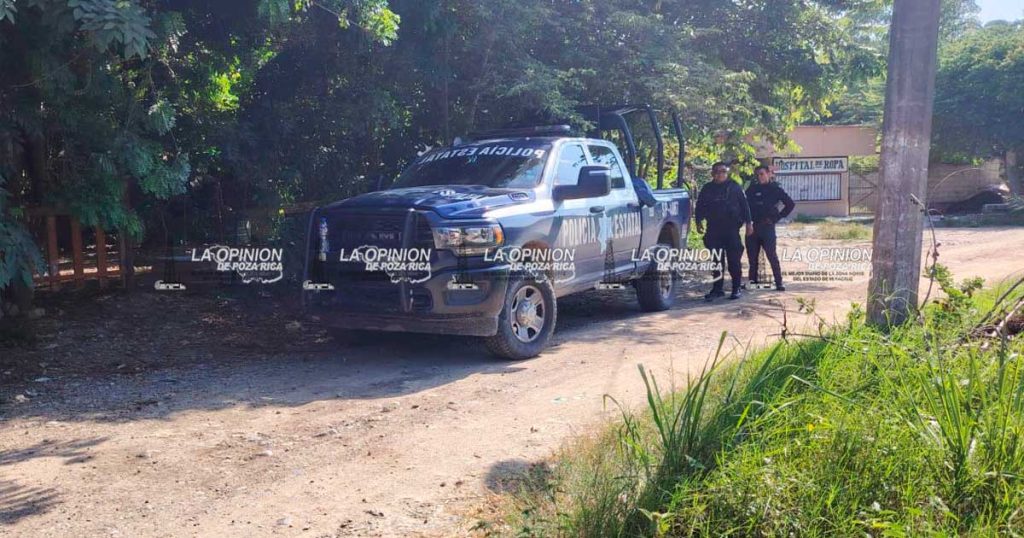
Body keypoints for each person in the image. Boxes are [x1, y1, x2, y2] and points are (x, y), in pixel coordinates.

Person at [695, 162, 752, 301]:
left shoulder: (734, 187)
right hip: (714, 229)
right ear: (712, 173)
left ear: (727, 173)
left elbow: (745, 206)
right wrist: (698, 221)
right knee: (716, 261)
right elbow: (700, 205)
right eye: (717, 171)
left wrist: (749, 223)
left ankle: (736, 288)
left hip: (731, 229)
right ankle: (717, 289)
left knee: (734, 261)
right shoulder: (707, 188)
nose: (720, 174)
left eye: (723, 171)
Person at [746, 165, 795, 291]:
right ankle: (752, 282)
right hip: (753, 227)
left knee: (772, 256)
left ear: (768, 174)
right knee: (752, 258)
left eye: (762, 174)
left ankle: (779, 282)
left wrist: (776, 218)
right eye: (757, 175)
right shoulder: (752, 189)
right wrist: (747, 221)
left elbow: (790, 204)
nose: (759, 177)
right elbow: (744, 205)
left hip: (767, 227)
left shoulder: (775, 189)